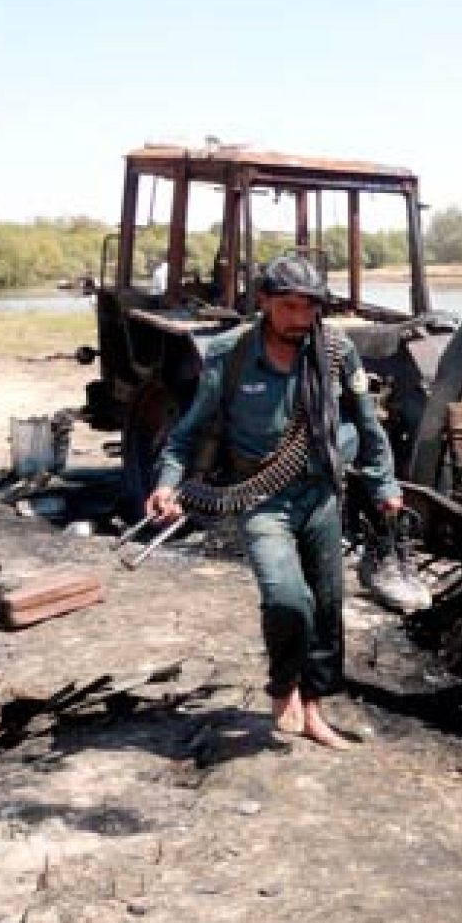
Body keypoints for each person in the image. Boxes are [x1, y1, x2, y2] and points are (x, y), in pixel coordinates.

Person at [147, 254, 405, 750]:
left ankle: (313, 707)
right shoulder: (230, 353)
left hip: (323, 494)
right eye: (288, 307)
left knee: (327, 607)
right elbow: (187, 435)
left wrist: (384, 484)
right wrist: (166, 484)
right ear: (264, 301)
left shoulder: (333, 350)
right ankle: (283, 685)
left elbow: (366, 423)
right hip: (261, 498)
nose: (299, 319)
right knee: (288, 598)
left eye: (309, 308)